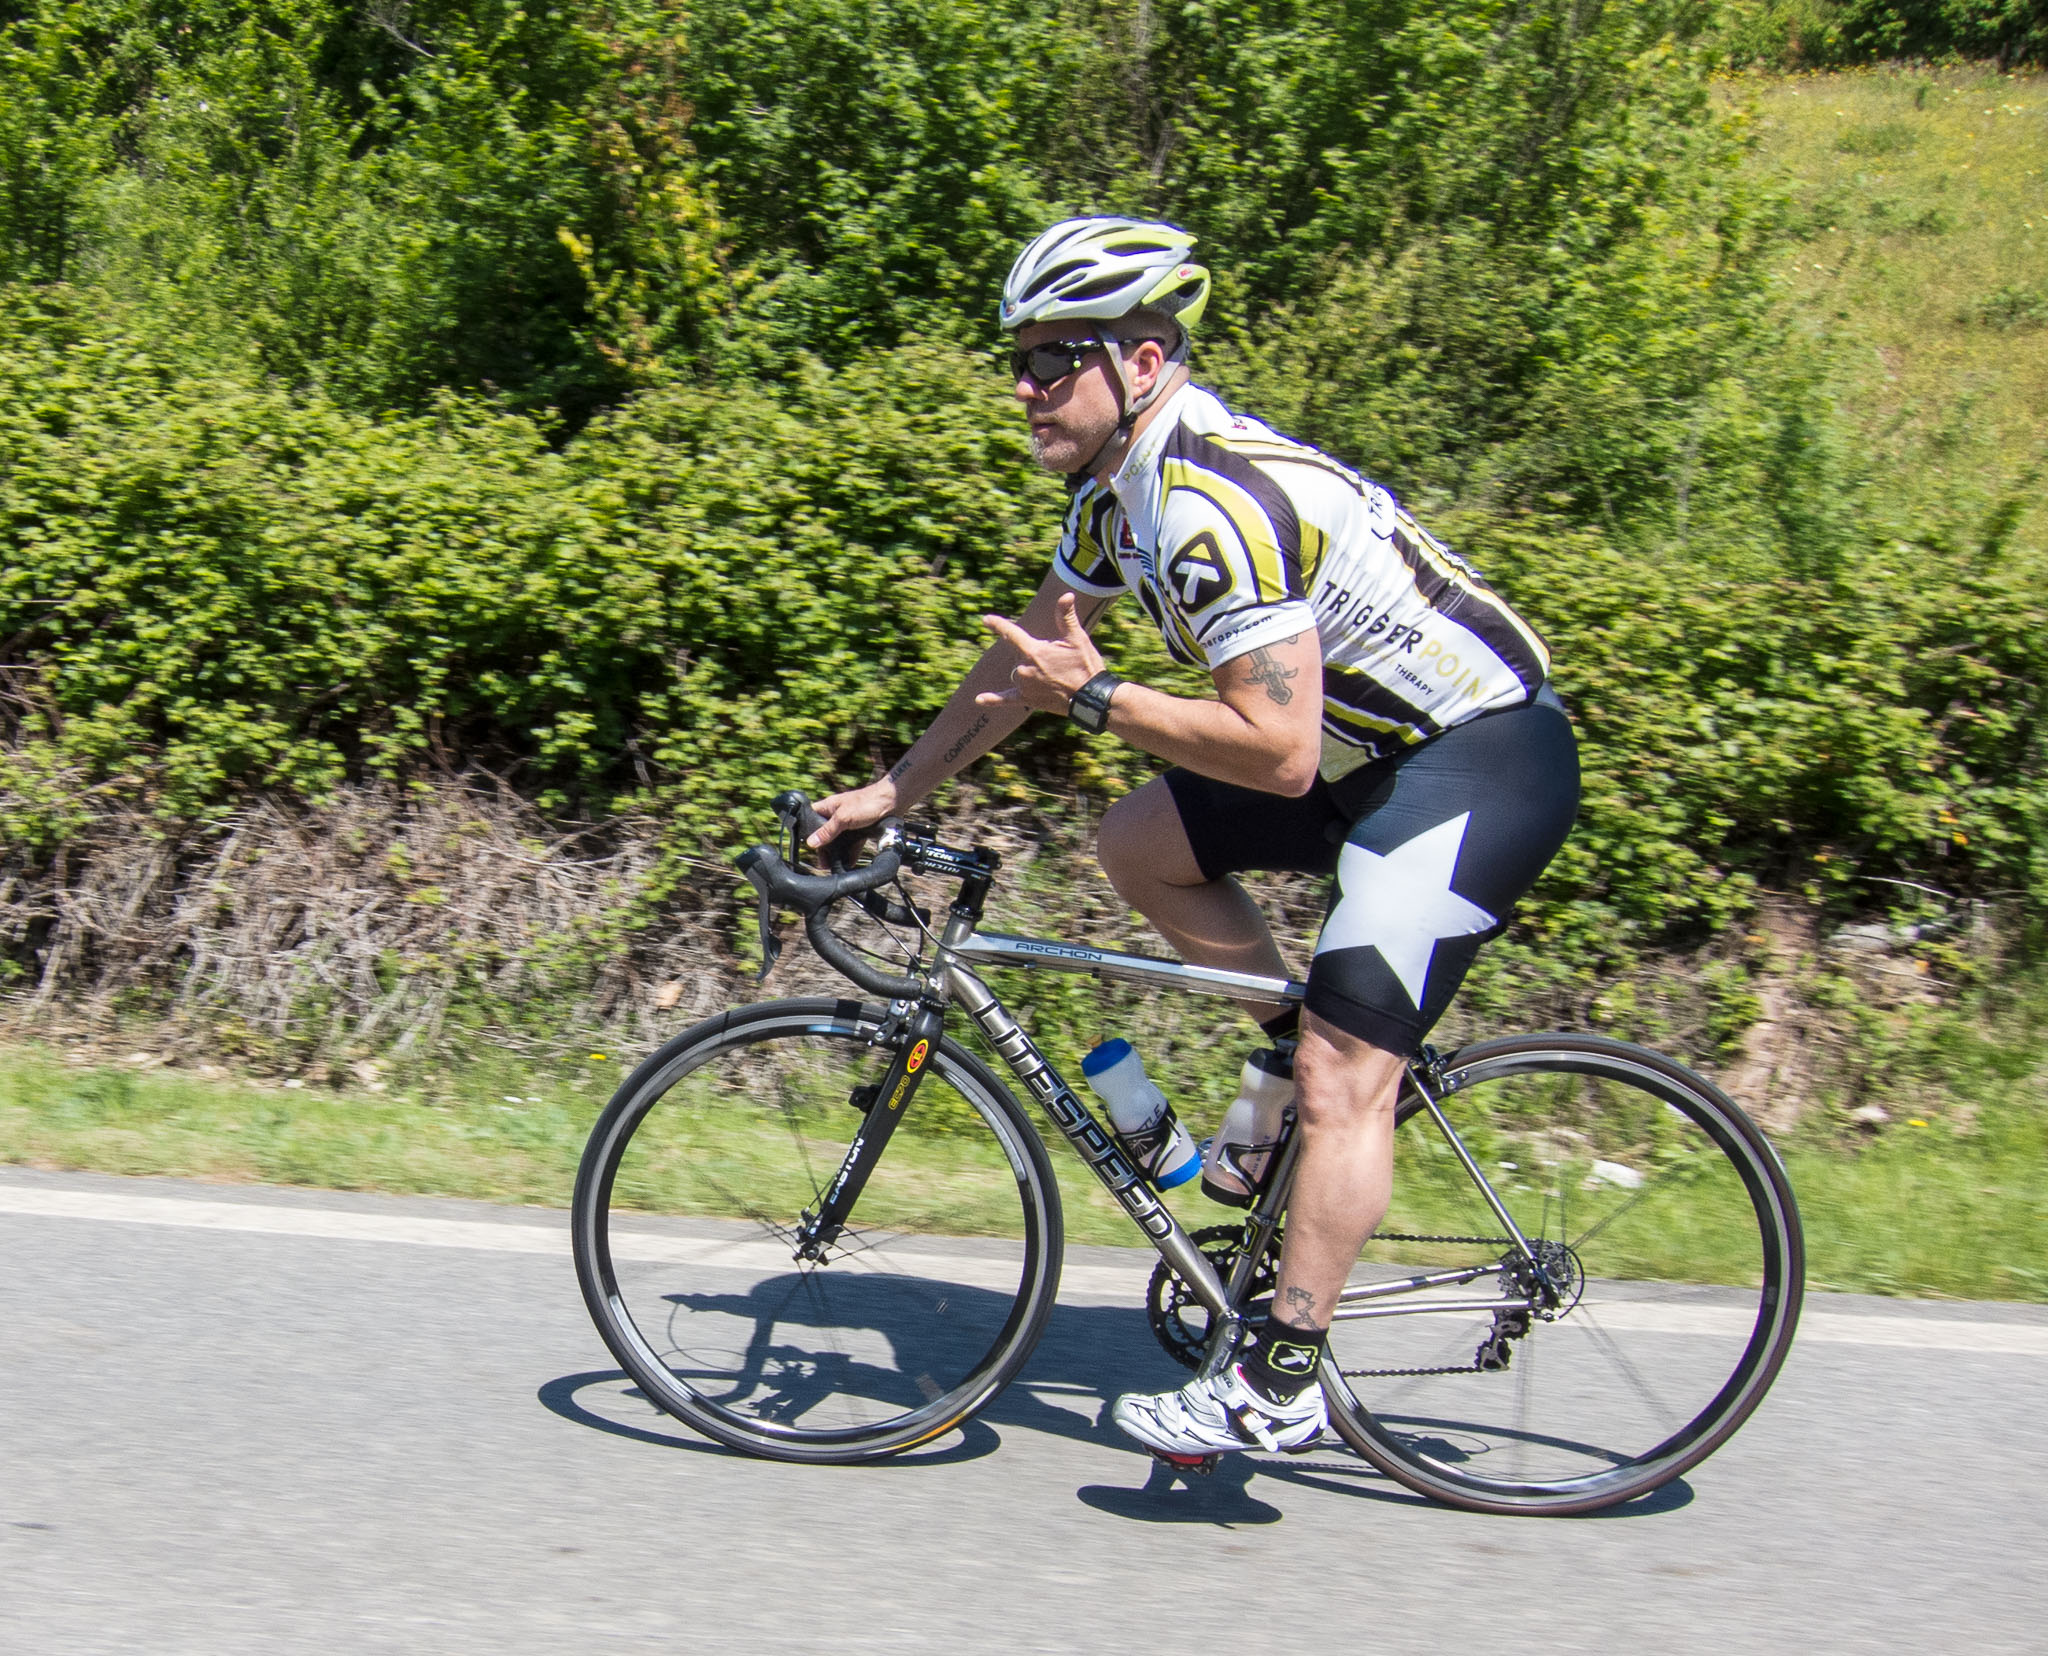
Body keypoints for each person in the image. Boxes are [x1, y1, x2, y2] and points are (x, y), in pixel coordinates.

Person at [811, 217, 1579, 1459]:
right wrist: (888, 793)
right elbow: (1022, 664)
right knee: (1139, 845)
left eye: (1055, 359)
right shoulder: (1118, 497)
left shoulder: (1207, 506)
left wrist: (1097, 697)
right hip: (1368, 760)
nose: (1025, 386)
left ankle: (1279, 1379)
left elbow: (1273, 752)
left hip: (1475, 759)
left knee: (1344, 1074)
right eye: (1018, 359)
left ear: (1143, 363)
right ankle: (1283, 1063)